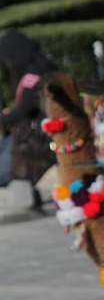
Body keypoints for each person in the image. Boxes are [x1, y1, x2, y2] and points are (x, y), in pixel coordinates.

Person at [0, 30, 56, 187]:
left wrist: (4, 117)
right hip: (29, 135)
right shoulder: (42, 68)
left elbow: (23, 111)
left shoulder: (33, 75)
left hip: (30, 142)